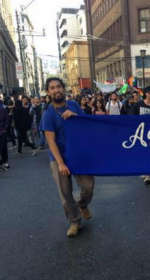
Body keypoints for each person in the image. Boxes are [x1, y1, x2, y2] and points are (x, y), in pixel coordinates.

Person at [39, 77, 95, 237]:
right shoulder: (48, 114)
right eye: (52, 88)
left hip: (78, 155)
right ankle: (74, 222)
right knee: (65, 193)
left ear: (63, 89)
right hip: (59, 158)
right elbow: (51, 142)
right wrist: (61, 163)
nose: (56, 90)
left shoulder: (74, 105)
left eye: (58, 87)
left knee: (88, 186)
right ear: (48, 92)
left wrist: (75, 116)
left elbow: (86, 124)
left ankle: (82, 205)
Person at [130, 86, 150, 184]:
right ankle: (147, 174)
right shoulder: (138, 105)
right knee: (144, 154)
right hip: (141, 135)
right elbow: (130, 118)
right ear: (147, 94)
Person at [0, 96, 10, 170]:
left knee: (3, 147)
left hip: (2, 131)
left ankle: (5, 161)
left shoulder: (3, 109)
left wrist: (4, 130)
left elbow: (7, 119)